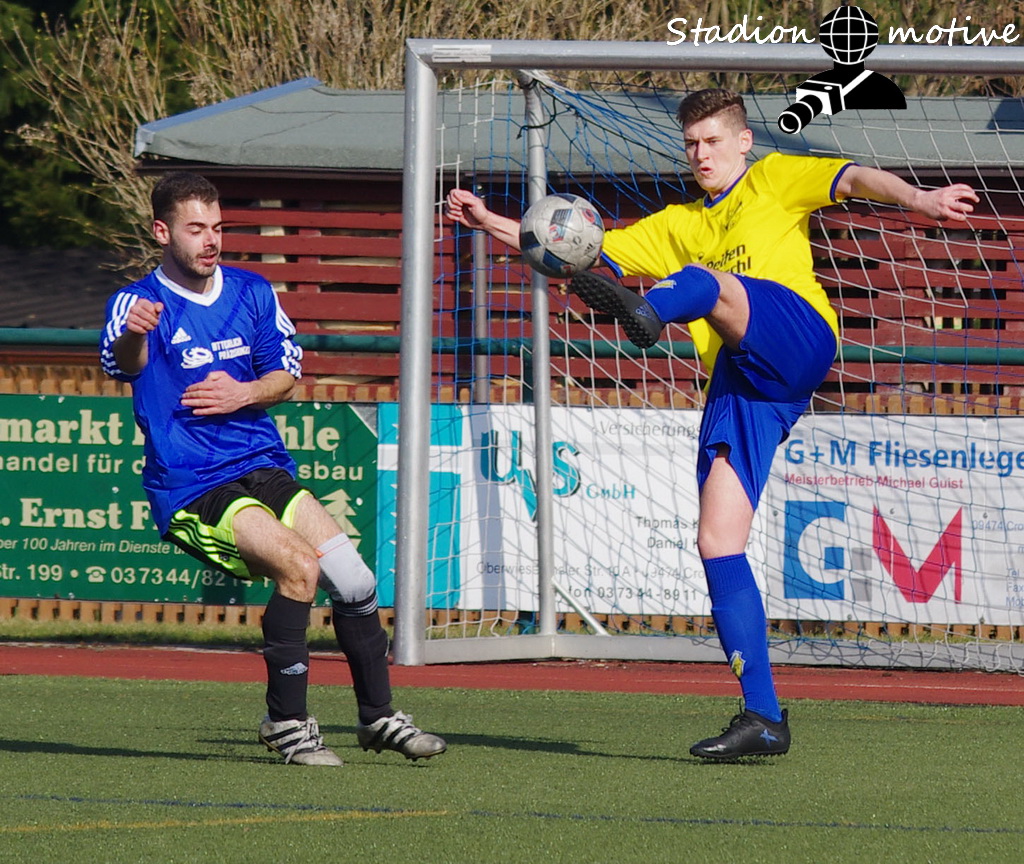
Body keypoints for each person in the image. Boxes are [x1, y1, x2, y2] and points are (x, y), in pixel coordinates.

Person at [445, 88, 977, 760]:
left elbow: (856, 179)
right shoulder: (678, 223)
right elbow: (573, 244)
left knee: (709, 282)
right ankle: (764, 717)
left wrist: (922, 200)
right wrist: (489, 219)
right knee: (717, 541)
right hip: (742, 383)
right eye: (692, 144)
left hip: (798, 335)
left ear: (743, 141)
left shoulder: (775, 178)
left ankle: (648, 314)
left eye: (713, 141)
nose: (701, 154)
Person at [101, 172, 446, 766]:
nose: (211, 240)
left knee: (356, 581)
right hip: (193, 483)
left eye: (217, 228)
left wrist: (244, 392)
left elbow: (285, 378)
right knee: (298, 567)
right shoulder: (136, 305)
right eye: (195, 229)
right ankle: (286, 724)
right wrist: (137, 335)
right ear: (162, 232)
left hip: (261, 464)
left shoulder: (252, 292)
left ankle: (377, 718)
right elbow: (124, 364)